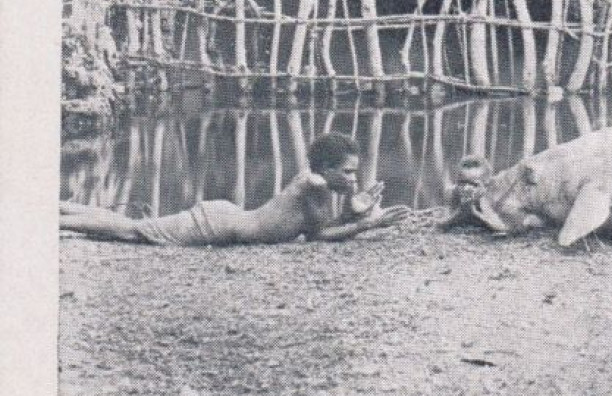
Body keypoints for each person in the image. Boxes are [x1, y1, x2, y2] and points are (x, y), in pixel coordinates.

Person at [59, 132, 406, 245]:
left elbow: (320, 229)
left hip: (225, 219)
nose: (353, 179)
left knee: (135, 228)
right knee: (135, 232)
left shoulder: (314, 184)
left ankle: (62, 211)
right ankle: (59, 220)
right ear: (327, 169)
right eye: (347, 173)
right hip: (220, 223)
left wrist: (353, 210)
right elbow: (320, 237)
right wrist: (366, 223)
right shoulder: (314, 187)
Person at [437, 154, 542, 235]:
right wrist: (464, 207)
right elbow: (443, 222)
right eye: (463, 183)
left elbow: (505, 225)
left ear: (485, 185)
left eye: (474, 184)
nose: (468, 188)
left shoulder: (492, 198)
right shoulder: (453, 193)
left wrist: (478, 212)